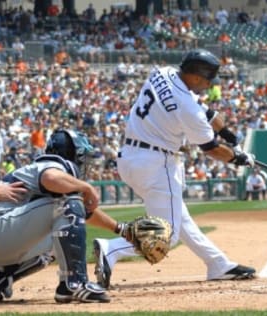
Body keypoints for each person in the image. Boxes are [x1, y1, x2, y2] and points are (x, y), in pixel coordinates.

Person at [93, 49, 256, 289]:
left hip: (130, 156)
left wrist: (228, 134)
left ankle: (218, 264)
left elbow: (206, 112)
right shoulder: (187, 108)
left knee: (181, 220)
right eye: (208, 79)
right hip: (156, 164)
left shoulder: (164, 72)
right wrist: (239, 158)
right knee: (166, 235)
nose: (210, 84)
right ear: (197, 77)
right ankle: (112, 249)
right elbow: (210, 149)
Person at [0, 129, 110, 304]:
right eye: (83, 156)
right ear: (71, 153)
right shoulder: (51, 165)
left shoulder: (42, 171)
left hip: (1, 240)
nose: (86, 162)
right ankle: (74, 283)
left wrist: (121, 229)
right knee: (66, 202)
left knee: (61, 237)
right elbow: (50, 178)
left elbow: (85, 212)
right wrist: (87, 187)